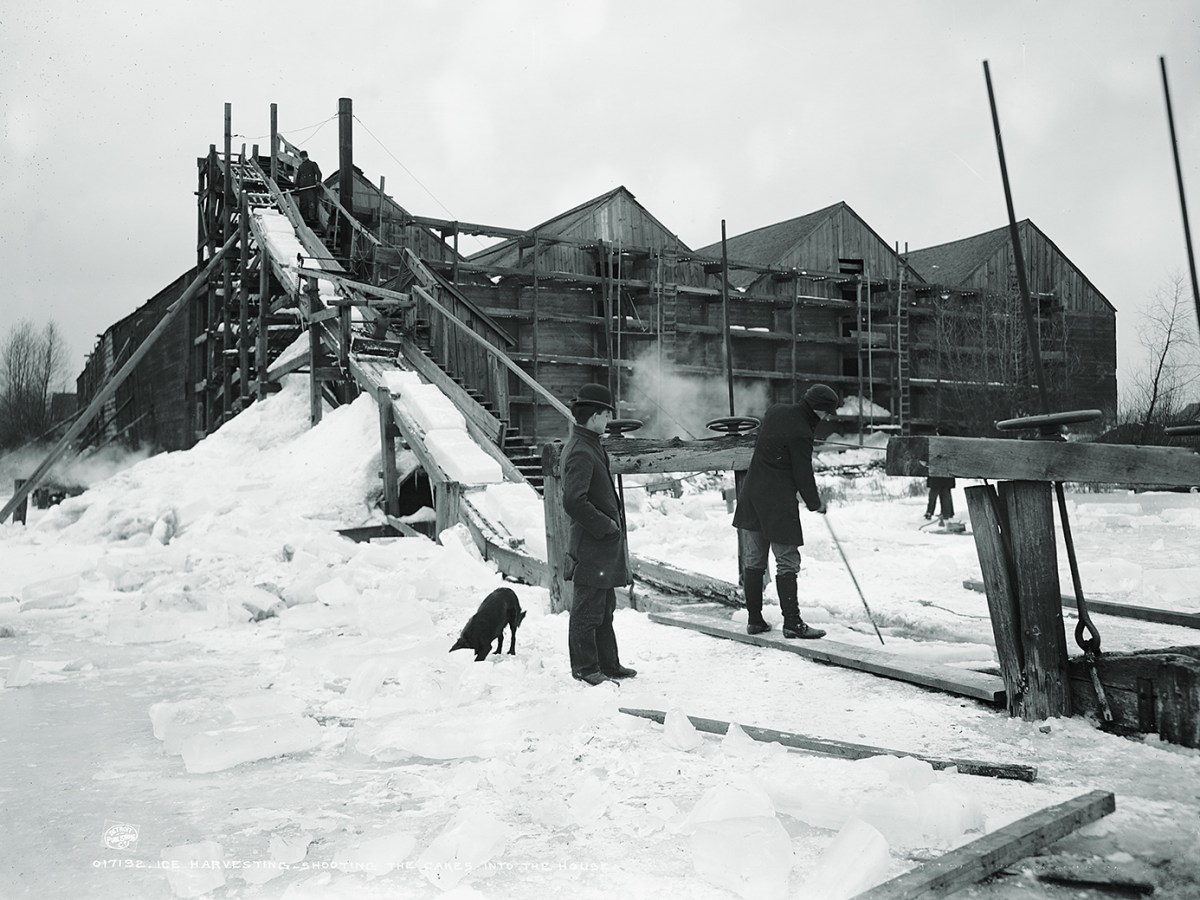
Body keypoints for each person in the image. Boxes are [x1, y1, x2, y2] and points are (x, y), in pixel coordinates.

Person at [732, 384, 840, 639]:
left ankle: (755, 620)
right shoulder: (802, 431)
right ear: (819, 409)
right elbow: (803, 474)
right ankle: (792, 623)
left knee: (754, 561)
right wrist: (816, 503)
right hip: (777, 502)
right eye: (828, 413)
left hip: (752, 494)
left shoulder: (776, 411)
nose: (827, 418)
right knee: (787, 561)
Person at [561, 383, 637, 685]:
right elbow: (573, 501)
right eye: (606, 416)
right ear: (593, 416)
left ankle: (608, 664)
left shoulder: (590, 443)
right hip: (592, 545)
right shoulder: (581, 449)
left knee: (604, 609)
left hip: (600, 547)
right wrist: (606, 526)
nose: (608, 422)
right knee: (586, 610)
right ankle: (585, 668)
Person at [294, 150, 322, 228]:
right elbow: (298, 177)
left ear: (307, 156)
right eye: (301, 157)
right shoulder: (301, 166)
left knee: (311, 203)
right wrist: (296, 186)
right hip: (302, 188)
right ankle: (303, 218)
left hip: (311, 187)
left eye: (304, 157)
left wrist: (318, 181)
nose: (302, 158)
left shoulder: (313, 164)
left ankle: (311, 218)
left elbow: (319, 173)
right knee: (303, 203)